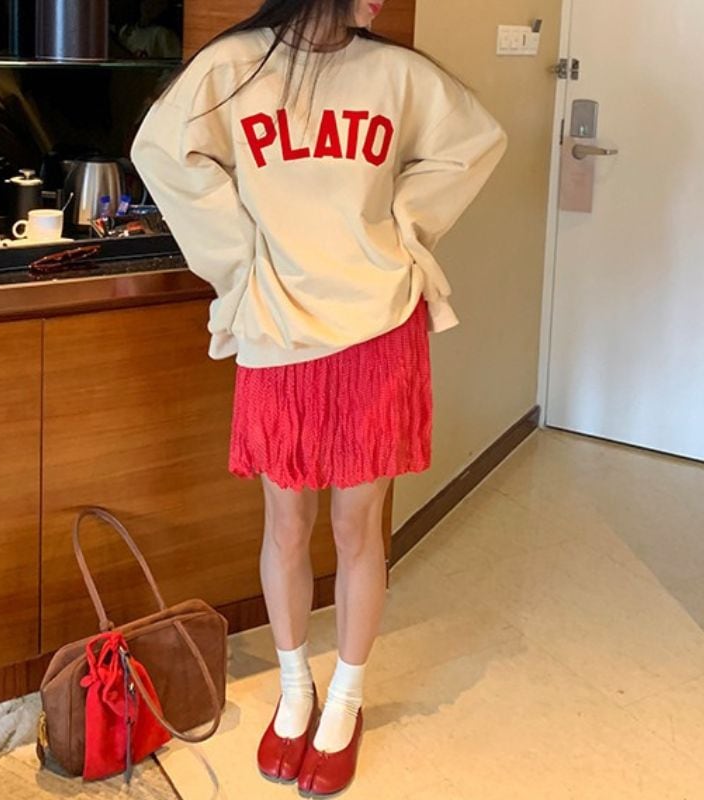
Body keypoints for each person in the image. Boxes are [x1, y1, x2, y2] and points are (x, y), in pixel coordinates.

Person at [131, 0, 507, 795]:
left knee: (356, 525)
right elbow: (162, 151)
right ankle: (296, 686)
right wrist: (240, 259)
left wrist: (404, 229)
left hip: (377, 325)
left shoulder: (397, 75)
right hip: (279, 326)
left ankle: (346, 699)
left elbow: (475, 142)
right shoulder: (235, 68)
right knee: (286, 521)